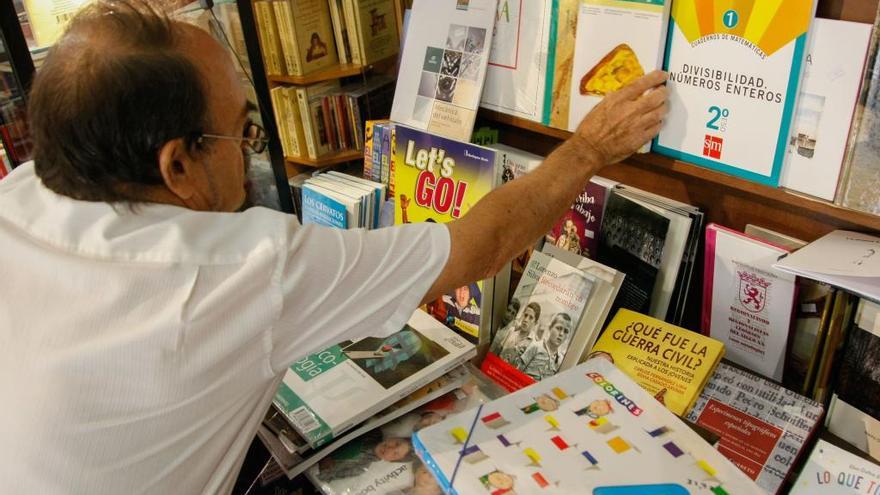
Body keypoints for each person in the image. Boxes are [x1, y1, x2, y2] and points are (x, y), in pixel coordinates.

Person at [0, 1, 667, 492]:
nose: (252, 150)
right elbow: (478, 249)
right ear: (178, 166)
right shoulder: (240, 268)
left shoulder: (22, 192)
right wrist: (590, 147)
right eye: (245, 132)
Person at [515, 313, 573, 380]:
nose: (561, 334)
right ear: (550, 327)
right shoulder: (536, 346)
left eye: (566, 331)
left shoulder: (560, 361)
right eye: (558, 328)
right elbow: (518, 371)